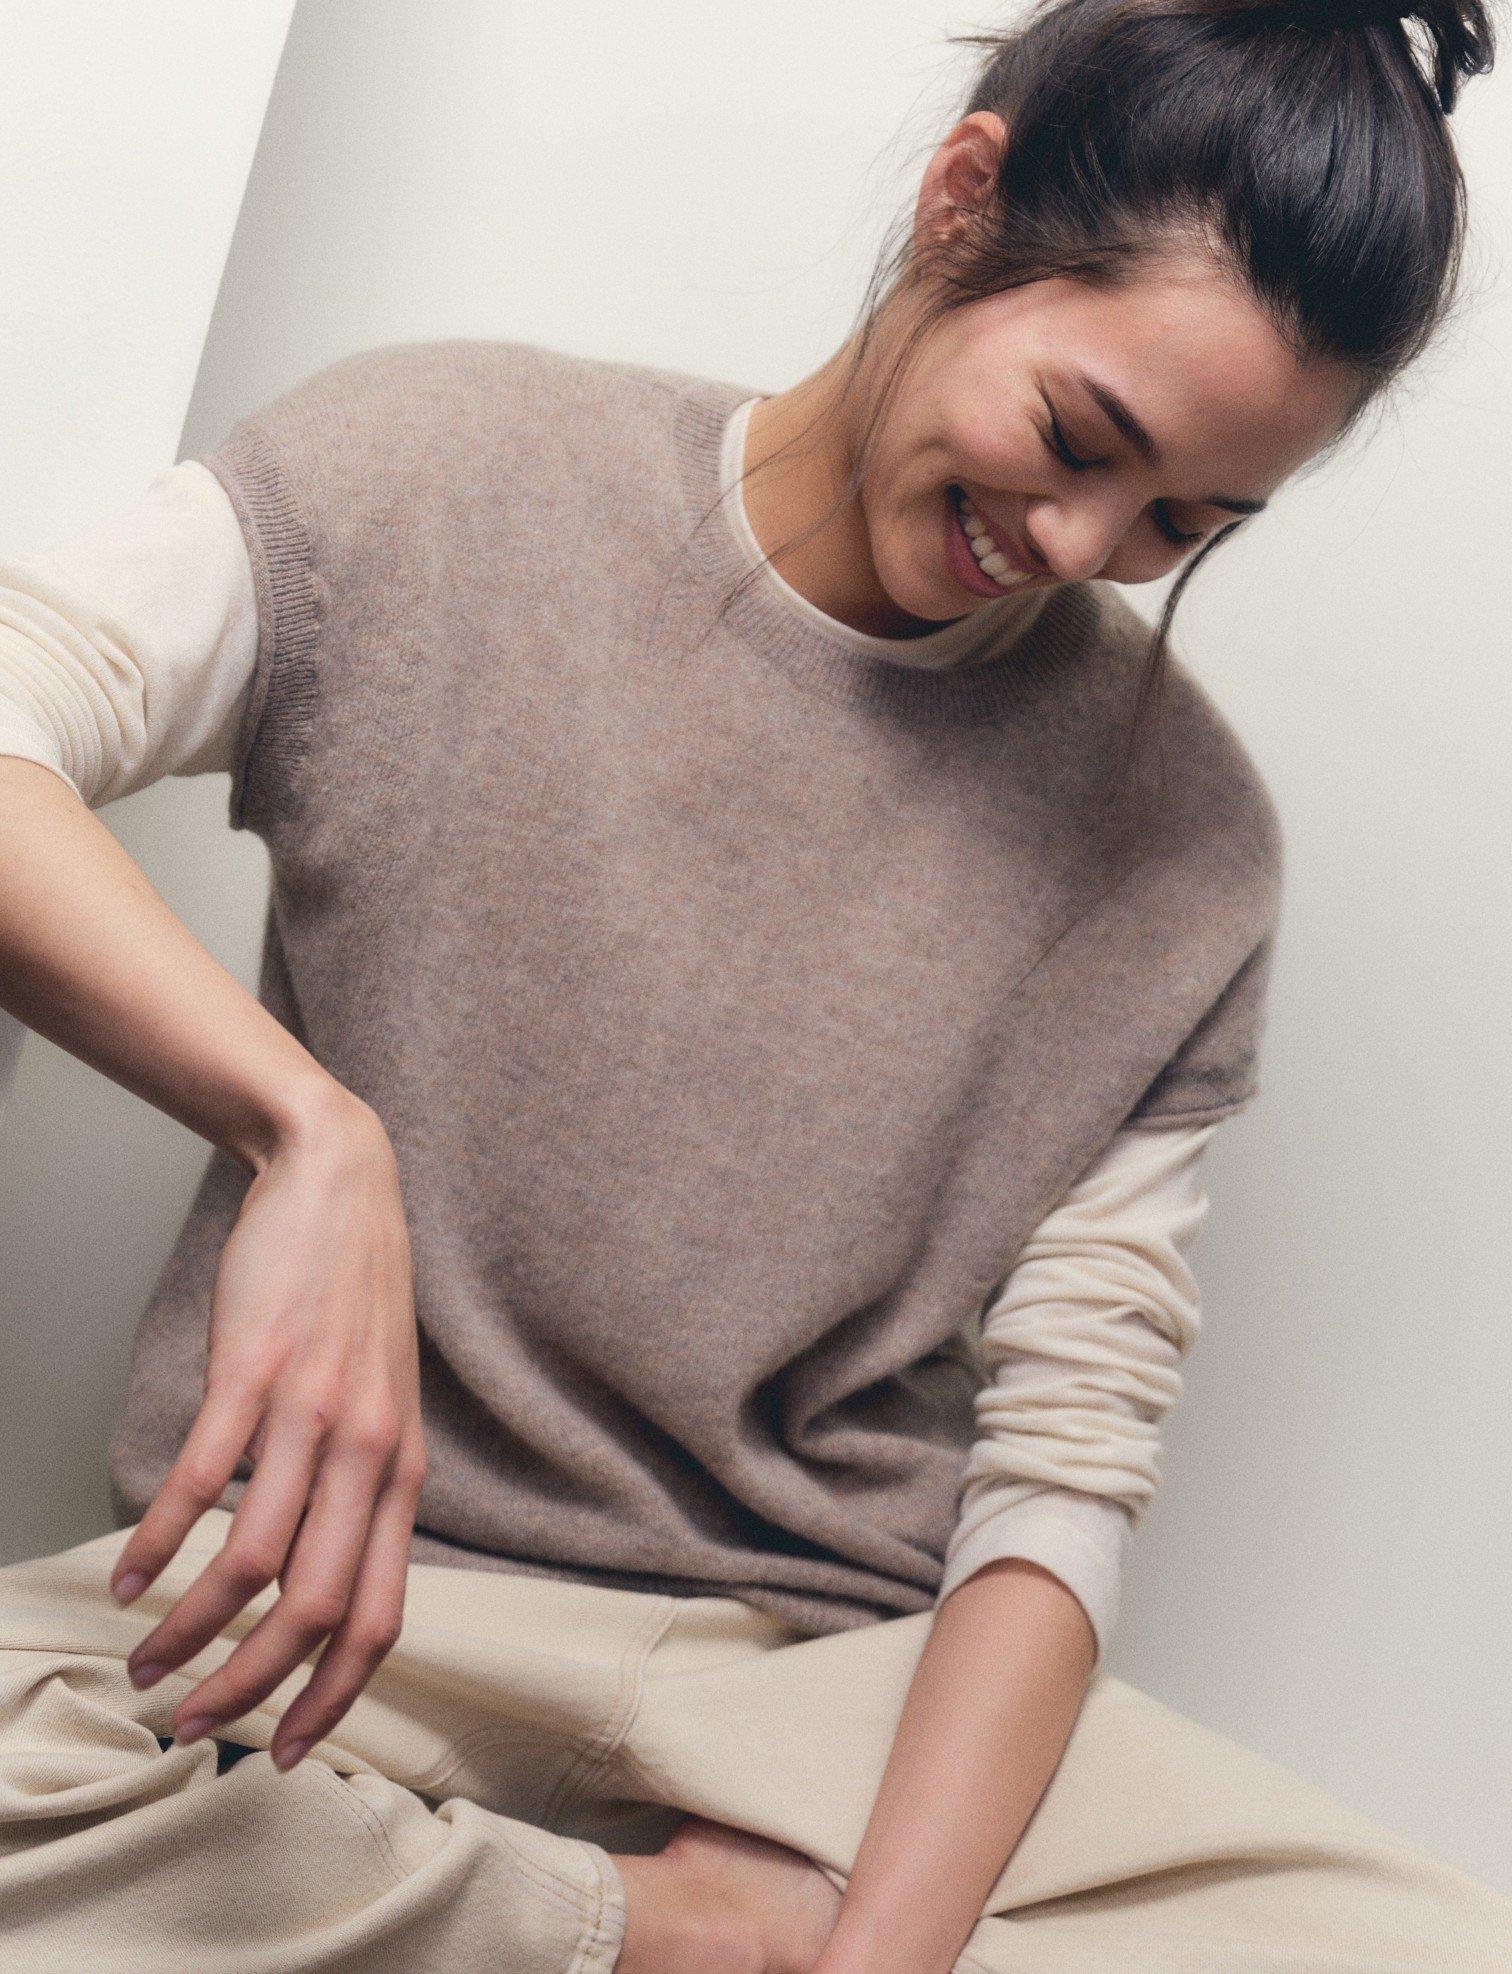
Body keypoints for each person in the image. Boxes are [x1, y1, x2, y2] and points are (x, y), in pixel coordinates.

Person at [0, 0, 1507, 1966]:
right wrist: (305, 1126)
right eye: (1081, 439)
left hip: (817, 1707)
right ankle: (648, 1934)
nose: (1076, 547)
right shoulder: (439, 470)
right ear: (965, 203)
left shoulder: (1186, 848)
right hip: (331, 1628)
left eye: (1181, 527)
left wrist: (880, 1950)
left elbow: (1058, 1491)